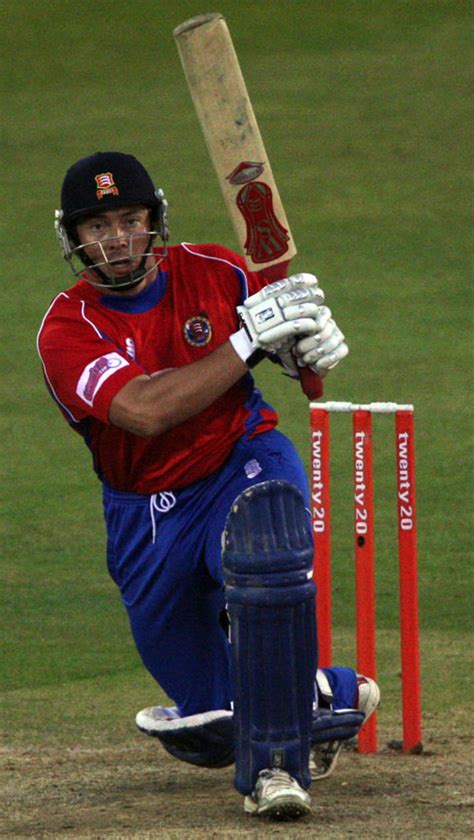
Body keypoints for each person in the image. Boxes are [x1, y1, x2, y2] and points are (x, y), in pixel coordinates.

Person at [37, 151, 380, 821]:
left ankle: (276, 773)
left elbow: (290, 357)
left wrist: (304, 348)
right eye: (97, 226)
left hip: (240, 458)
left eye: (130, 220)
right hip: (147, 514)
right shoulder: (66, 329)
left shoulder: (218, 270)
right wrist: (251, 339)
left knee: (266, 552)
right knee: (212, 723)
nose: (116, 239)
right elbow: (144, 411)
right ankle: (328, 695)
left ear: (154, 221)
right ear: (74, 238)